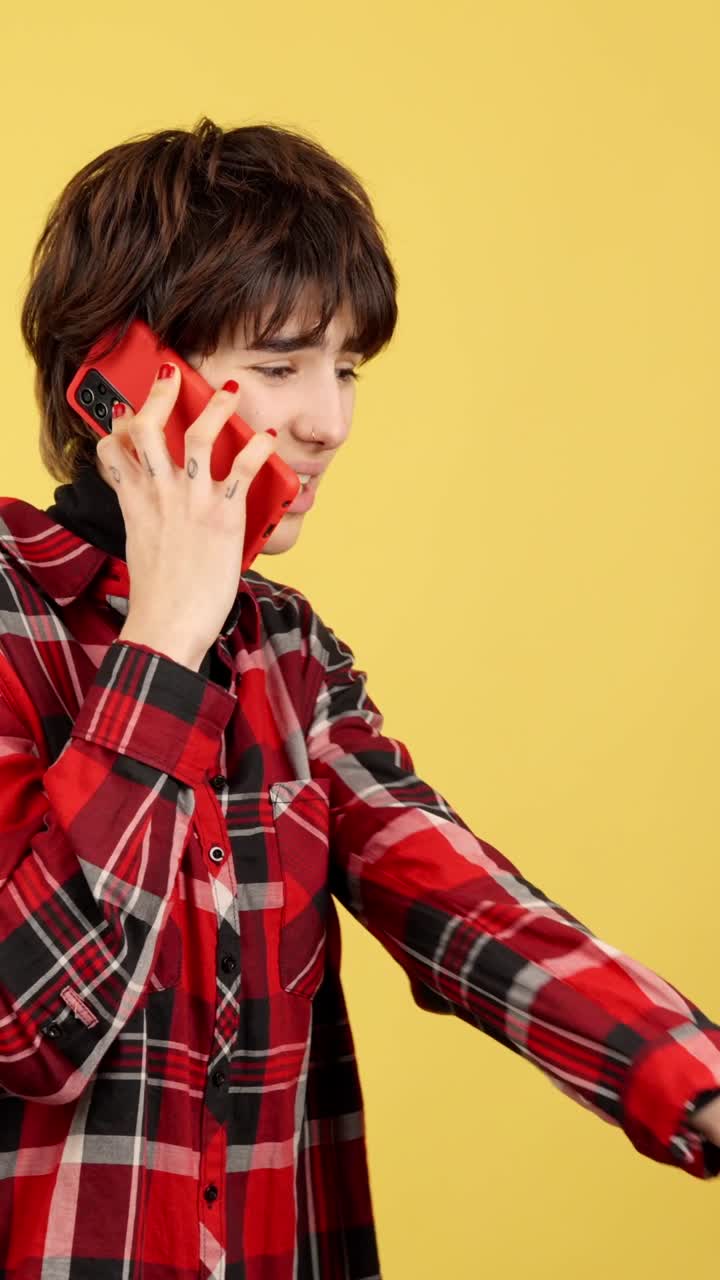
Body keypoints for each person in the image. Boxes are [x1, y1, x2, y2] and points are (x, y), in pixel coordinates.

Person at [1, 115, 719, 1280]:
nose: (327, 422)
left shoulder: (288, 656)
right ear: (117, 378)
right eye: (280, 366)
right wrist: (166, 639)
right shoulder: (7, 618)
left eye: (345, 371)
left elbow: (468, 906)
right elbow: (31, 1021)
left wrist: (699, 1080)